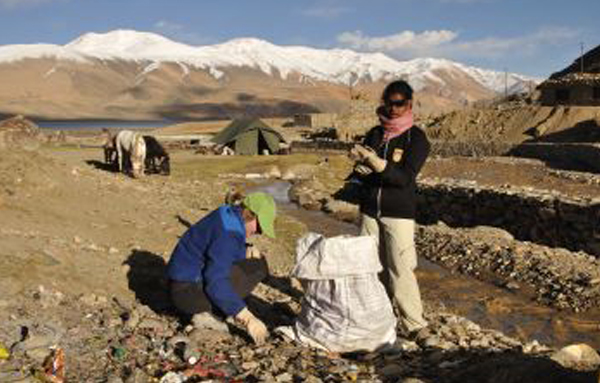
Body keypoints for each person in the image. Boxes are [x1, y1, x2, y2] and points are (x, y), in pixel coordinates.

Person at [349, 79, 430, 339]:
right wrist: (359, 172)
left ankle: (414, 325)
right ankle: (378, 320)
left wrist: (375, 162)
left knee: (401, 269)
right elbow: (365, 173)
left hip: (399, 213)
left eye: (399, 104)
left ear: (409, 104)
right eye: (389, 103)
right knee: (370, 267)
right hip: (370, 210)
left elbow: (403, 178)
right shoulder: (375, 133)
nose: (393, 109)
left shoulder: (416, 138)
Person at [166, 192, 276, 345]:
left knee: (255, 262)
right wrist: (247, 317)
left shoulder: (227, 213)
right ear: (251, 215)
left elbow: (219, 249)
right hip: (188, 295)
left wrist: (244, 251)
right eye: (259, 228)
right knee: (257, 268)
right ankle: (206, 313)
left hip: (181, 281)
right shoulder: (229, 234)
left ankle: (218, 306)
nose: (258, 232)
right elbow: (215, 282)